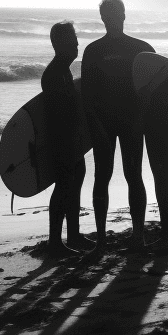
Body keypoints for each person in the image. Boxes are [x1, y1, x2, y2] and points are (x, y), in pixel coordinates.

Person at [80, 0, 154, 251]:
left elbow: (152, 90)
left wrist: (144, 121)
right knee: (102, 176)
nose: (114, 19)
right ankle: (101, 239)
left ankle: (138, 236)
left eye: (117, 13)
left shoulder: (141, 49)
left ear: (124, 15)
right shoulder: (93, 51)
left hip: (132, 122)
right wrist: (95, 127)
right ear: (103, 18)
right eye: (108, 15)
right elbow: (87, 95)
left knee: (134, 176)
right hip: (104, 124)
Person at [41, 21, 94, 258]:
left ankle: (73, 235)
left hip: (73, 141)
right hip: (62, 142)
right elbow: (56, 114)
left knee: (74, 185)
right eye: (73, 38)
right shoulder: (53, 74)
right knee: (63, 187)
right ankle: (54, 241)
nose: (77, 43)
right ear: (61, 43)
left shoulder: (64, 71)